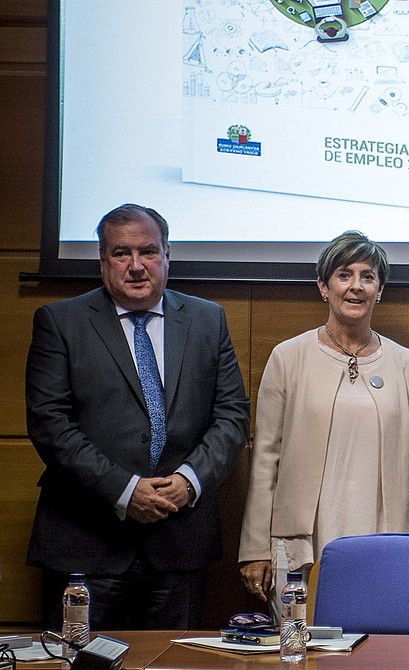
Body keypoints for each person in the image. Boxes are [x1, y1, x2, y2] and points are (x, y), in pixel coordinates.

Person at [25, 203, 249, 629]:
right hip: (87, 545)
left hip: (179, 544)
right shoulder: (60, 322)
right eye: (120, 253)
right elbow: (50, 424)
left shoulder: (207, 320)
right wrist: (125, 490)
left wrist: (190, 481)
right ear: (102, 260)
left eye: (147, 251)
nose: (136, 266)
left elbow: (232, 415)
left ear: (167, 255)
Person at [239, 231, 409, 605]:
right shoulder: (288, 357)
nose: (356, 287)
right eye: (344, 275)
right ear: (323, 286)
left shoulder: (405, 363)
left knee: (380, 651)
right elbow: (265, 457)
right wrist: (254, 548)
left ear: (380, 289)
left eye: (368, 276)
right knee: (301, 653)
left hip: (386, 540)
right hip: (305, 542)